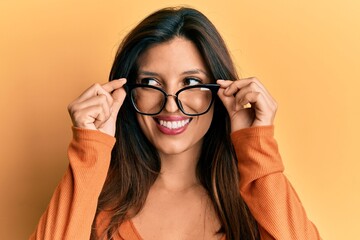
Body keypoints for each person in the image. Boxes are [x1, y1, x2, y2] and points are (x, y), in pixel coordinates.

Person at [30, 6, 321, 240]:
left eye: (191, 81)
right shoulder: (97, 204)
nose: (170, 105)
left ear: (221, 89)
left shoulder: (254, 204)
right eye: (150, 82)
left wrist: (256, 144)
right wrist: (89, 150)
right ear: (126, 91)